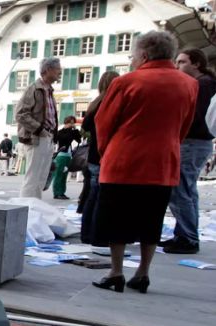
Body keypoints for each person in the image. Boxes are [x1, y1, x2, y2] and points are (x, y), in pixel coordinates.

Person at [92, 31, 197, 294]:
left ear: (144, 54)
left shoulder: (127, 82)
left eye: (133, 54)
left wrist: (106, 152)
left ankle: (116, 272)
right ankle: (143, 273)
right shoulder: (188, 84)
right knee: (151, 219)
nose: (132, 59)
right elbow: (184, 125)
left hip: (124, 160)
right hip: (163, 162)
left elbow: (104, 123)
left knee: (116, 219)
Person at [162, 48, 216, 254]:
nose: (178, 66)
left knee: (180, 189)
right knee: (187, 189)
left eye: (182, 62)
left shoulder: (201, 85)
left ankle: (187, 237)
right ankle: (184, 234)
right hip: (198, 142)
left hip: (192, 141)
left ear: (196, 64)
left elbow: (193, 116)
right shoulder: (205, 83)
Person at [79, 71, 120, 244]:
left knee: (93, 194)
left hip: (95, 154)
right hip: (105, 154)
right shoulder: (110, 103)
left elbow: (87, 126)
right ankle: (96, 234)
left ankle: (87, 232)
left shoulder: (95, 103)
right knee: (101, 196)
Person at [17, 58, 61, 199]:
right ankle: (27, 209)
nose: (60, 72)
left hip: (47, 137)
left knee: (40, 179)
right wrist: (39, 129)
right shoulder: (34, 89)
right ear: (47, 70)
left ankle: (35, 208)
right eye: (57, 69)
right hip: (36, 138)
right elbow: (21, 114)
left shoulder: (48, 90)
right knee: (32, 178)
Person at [52, 116, 82, 200]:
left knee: (64, 175)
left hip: (68, 155)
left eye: (73, 123)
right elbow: (65, 139)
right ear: (67, 122)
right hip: (61, 155)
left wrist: (75, 130)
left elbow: (79, 140)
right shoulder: (60, 132)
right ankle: (57, 193)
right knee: (59, 175)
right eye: (71, 122)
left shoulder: (72, 131)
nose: (72, 124)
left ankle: (62, 192)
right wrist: (70, 130)